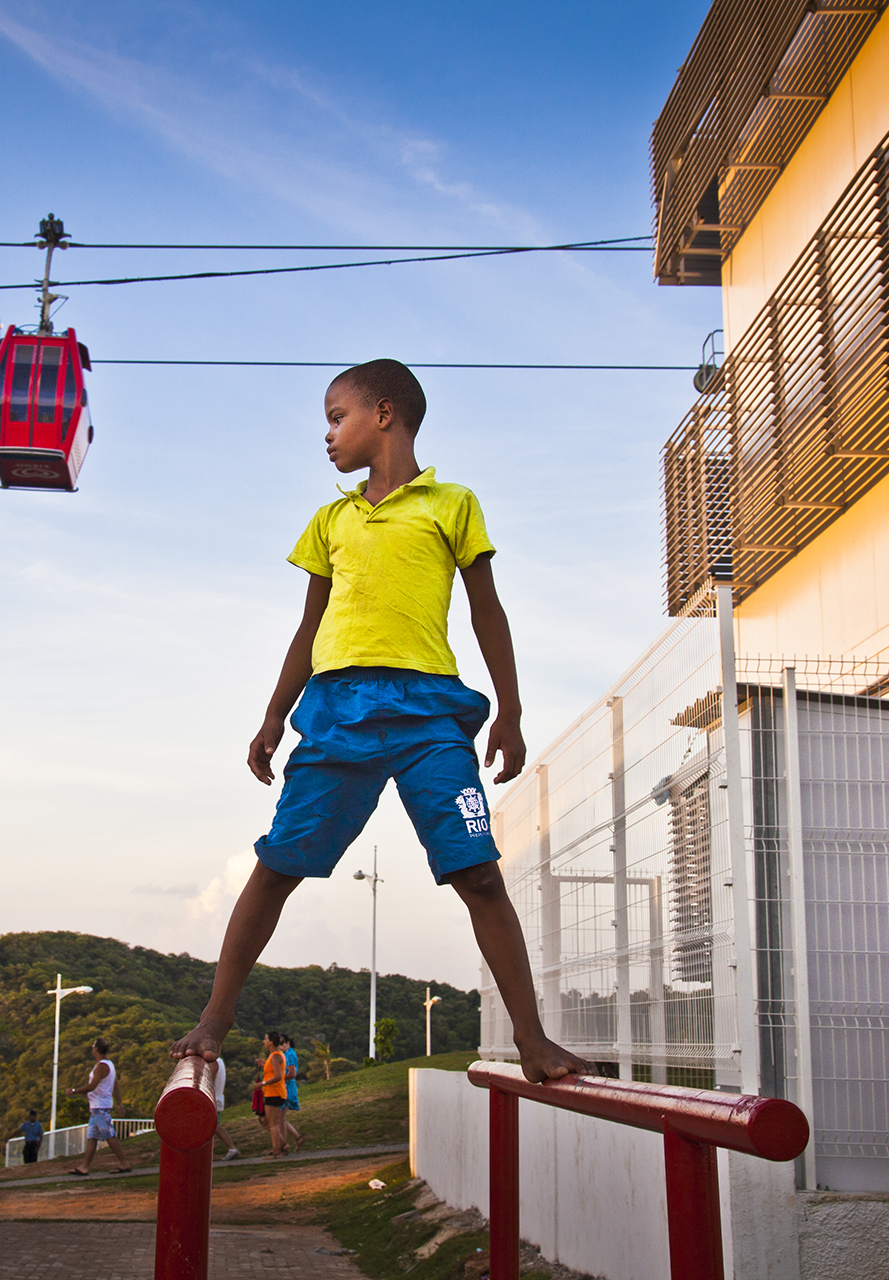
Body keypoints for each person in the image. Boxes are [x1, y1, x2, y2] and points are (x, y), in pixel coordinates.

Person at [170, 360, 588, 1087]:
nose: (327, 434)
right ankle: (214, 1019)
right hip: (338, 714)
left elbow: (488, 611)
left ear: (384, 414)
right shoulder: (331, 520)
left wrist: (511, 710)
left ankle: (532, 1039)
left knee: (479, 875)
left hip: (430, 715)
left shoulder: (450, 504)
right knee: (276, 867)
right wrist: (273, 712)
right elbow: (309, 627)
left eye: (337, 416)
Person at [66, 1037, 132, 1175]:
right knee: (92, 1136)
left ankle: (124, 1163)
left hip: (99, 1107)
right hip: (98, 1107)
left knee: (109, 1134)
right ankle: (84, 1167)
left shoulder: (101, 1066)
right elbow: (116, 1085)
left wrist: (74, 1091)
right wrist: (118, 1103)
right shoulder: (110, 1065)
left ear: (95, 1049)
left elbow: (92, 1086)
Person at [259, 1031, 289, 1157]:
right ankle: (281, 1145)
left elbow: (278, 1076)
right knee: (266, 1121)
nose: (264, 1042)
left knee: (272, 1123)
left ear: (271, 1042)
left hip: (274, 1092)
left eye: (266, 1039)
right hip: (272, 1092)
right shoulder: (274, 1056)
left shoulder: (276, 1056)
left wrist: (263, 1083)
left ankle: (277, 1151)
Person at [211, 1055, 240, 1161]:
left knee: (214, 1126)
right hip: (217, 1097)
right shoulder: (220, 1061)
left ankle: (232, 1148)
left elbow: (209, 1080)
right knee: (213, 1126)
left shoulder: (213, 1062)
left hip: (212, 1098)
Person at [280, 1033, 303, 1151]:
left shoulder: (289, 1055)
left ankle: (284, 1143)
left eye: (282, 1043)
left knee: (279, 1118)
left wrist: (278, 1076)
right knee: (280, 1118)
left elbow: (292, 1073)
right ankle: (296, 1137)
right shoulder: (287, 1054)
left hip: (287, 1088)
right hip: (286, 1087)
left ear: (288, 1043)